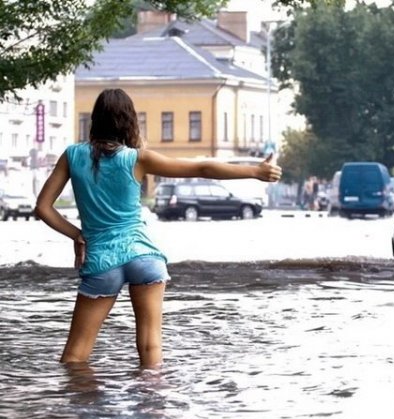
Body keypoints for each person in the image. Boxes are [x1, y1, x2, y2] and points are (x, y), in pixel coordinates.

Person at [35, 88, 282, 368]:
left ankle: (83, 409)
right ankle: (153, 408)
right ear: (129, 121)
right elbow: (201, 169)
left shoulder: (72, 155)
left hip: (101, 260)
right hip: (144, 257)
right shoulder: (138, 158)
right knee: (151, 348)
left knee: (75, 357)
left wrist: (77, 234)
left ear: (95, 120)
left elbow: (43, 207)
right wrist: (255, 171)